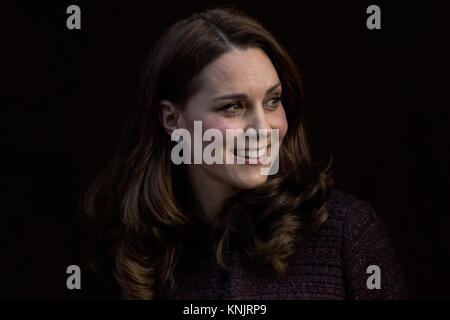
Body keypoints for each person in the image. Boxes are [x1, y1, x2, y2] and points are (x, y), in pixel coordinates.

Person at [82, 6, 408, 300]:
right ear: (172, 119)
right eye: (234, 106)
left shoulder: (346, 231)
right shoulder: (130, 251)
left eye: (272, 101)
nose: (262, 128)